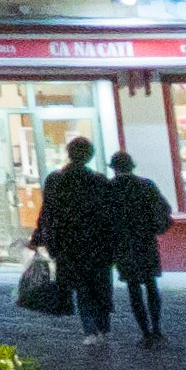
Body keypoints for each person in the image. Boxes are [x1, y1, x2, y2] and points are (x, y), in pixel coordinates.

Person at [30, 134, 119, 339]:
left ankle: (90, 330)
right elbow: (109, 215)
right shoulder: (99, 180)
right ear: (89, 156)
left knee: (81, 287)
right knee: (100, 284)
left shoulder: (56, 179)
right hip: (97, 243)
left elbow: (48, 212)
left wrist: (38, 237)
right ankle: (103, 325)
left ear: (69, 154)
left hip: (68, 243)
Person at [105, 152, 175, 347]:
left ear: (114, 168)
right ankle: (157, 329)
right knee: (151, 285)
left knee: (133, 288)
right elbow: (164, 209)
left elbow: (104, 220)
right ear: (132, 166)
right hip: (145, 242)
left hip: (123, 245)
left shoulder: (110, 189)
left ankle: (145, 332)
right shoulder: (146, 185)